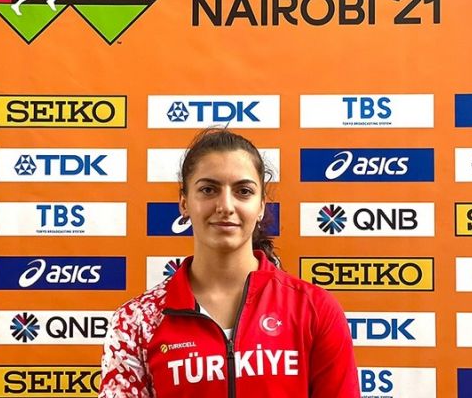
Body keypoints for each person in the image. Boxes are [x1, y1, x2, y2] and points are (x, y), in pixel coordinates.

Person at [99, 129, 360, 397]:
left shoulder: (314, 309)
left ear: (261, 206)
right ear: (184, 203)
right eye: (208, 190)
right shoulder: (136, 321)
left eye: (243, 191)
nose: (225, 206)